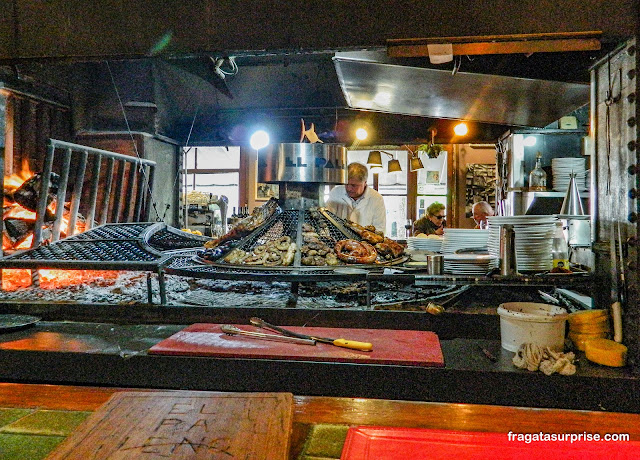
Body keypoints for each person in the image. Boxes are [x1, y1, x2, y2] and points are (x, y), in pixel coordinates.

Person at [326, 162, 386, 232]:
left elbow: (379, 229)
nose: (349, 188)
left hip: (365, 242)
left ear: (365, 183)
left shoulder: (376, 199)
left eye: (354, 185)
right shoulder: (336, 193)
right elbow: (327, 220)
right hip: (339, 240)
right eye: (346, 184)